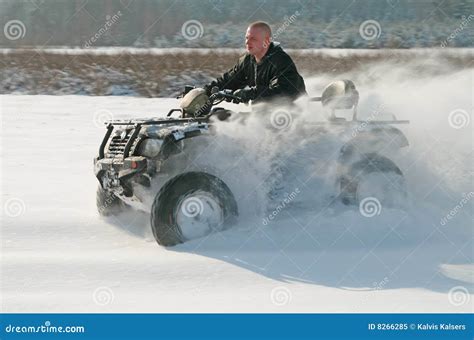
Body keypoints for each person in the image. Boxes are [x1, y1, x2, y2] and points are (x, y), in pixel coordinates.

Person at [205, 21, 306, 104]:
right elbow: (229, 80)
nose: (247, 42)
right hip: (263, 113)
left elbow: (285, 92)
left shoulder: (280, 61)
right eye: (246, 38)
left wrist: (252, 93)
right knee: (221, 115)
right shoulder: (247, 60)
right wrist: (205, 91)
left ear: (266, 41)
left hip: (293, 113)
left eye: (253, 39)